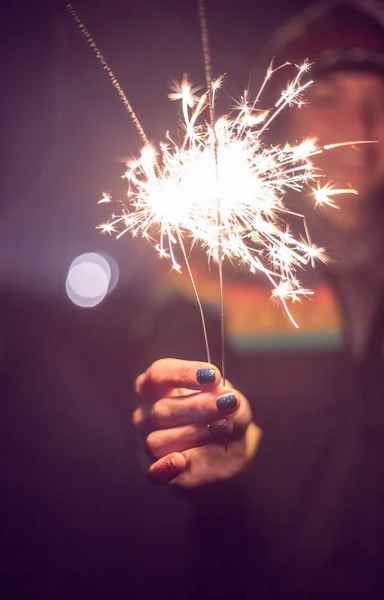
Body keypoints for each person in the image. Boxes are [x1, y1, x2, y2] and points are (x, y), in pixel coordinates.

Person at [133, 1, 384, 598]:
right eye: (327, 98)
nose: (364, 123)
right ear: (278, 118)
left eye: (382, 98)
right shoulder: (212, 269)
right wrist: (217, 434)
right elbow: (169, 405)